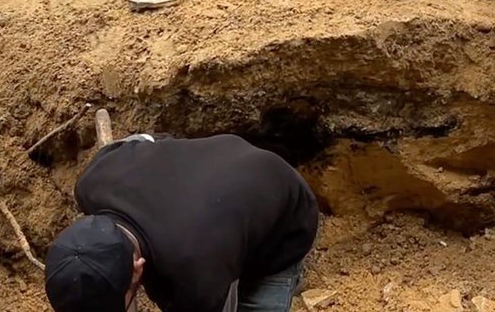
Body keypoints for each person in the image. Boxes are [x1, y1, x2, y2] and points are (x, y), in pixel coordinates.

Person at [44, 134, 320, 312]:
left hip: (282, 218)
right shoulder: (94, 181)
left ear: (137, 269)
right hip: (217, 175)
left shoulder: (194, 277)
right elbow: (144, 140)